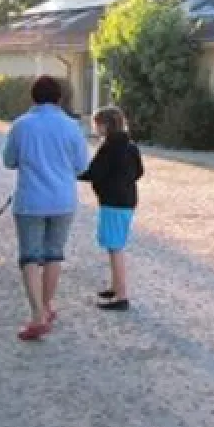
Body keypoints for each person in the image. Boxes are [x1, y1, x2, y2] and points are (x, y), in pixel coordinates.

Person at [2, 75, 90, 341]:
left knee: (30, 258)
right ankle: (48, 305)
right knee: (54, 255)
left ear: (33, 97)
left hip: (30, 200)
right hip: (63, 200)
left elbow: (9, 161)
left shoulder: (21, 125)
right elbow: (82, 166)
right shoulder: (72, 126)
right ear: (59, 98)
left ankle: (37, 314)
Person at [78, 105, 143, 311]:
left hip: (112, 202)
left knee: (115, 247)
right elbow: (139, 171)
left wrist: (72, 173)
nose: (95, 129)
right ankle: (115, 287)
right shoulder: (131, 146)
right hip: (127, 200)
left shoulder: (108, 148)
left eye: (97, 124)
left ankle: (121, 295)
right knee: (115, 244)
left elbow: (94, 173)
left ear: (106, 125)